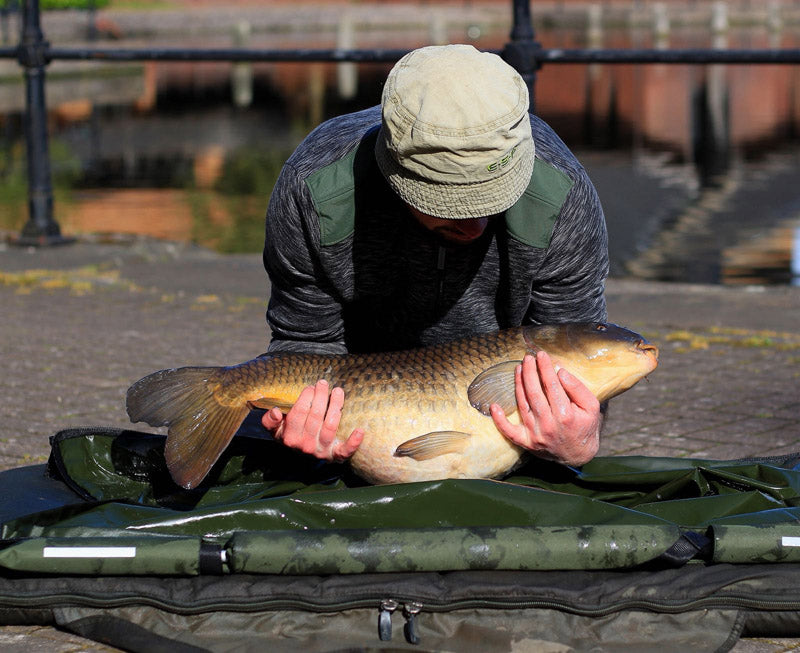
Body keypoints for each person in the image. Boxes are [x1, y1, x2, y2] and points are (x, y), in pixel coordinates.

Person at [259, 44, 609, 471]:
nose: (477, 226)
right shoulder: (314, 187)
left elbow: (572, 357)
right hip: (364, 411)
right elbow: (306, 342)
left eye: (494, 199)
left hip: (497, 421)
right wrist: (309, 425)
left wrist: (580, 438)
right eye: (448, 205)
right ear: (394, 169)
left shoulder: (562, 194)